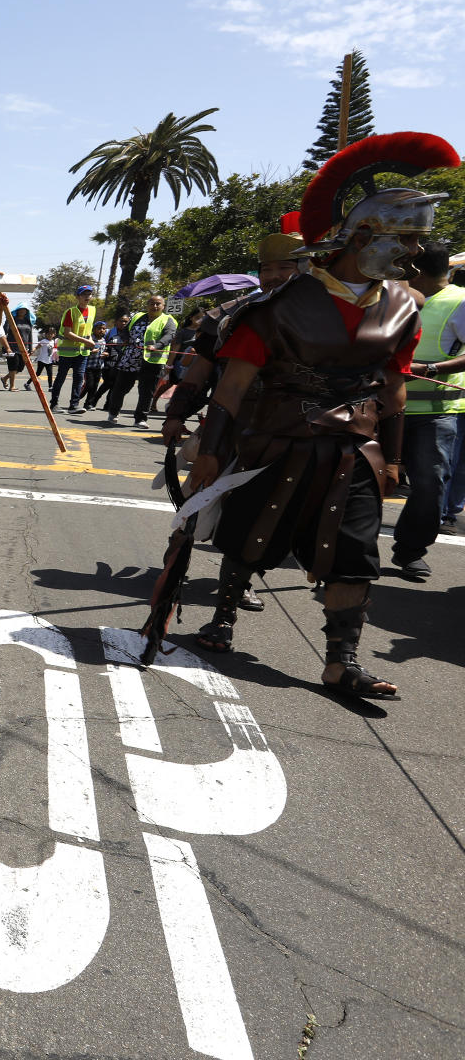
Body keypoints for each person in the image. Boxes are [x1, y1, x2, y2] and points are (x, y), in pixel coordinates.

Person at [179, 131, 457, 698]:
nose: (412, 254)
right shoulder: (278, 305)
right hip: (278, 439)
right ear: (362, 236)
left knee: (356, 552)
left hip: (355, 447)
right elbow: (233, 386)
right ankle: (222, 618)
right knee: (252, 533)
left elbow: (395, 389)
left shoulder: (407, 306)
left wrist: (396, 458)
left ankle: (341, 662)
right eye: (404, 238)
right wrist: (210, 452)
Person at [160, 212, 308, 626]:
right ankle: (177, 558)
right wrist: (176, 415)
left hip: (291, 434)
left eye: (287, 266)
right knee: (197, 503)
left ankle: (242, 580)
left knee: (267, 514)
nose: (276, 276)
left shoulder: (324, 321)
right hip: (230, 428)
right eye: (268, 268)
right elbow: (199, 374)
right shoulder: (231, 316)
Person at [389, 241, 465, 580]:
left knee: (430, 484)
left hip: (434, 412)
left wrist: (431, 369)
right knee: (355, 478)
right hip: (383, 406)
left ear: (415, 269)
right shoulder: (391, 296)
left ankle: (410, 550)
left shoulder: (461, 302)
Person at [129, 294, 178, 426]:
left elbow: (169, 336)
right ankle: (112, 412)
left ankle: (140, 418)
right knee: (121, 386)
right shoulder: (138, 317)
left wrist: (156, 346)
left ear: (163, 306)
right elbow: (125, 331)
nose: (155, 306)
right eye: (152, 303)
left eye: (158, 304)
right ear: (147, 305)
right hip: (131, 358)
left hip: (153, 361)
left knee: (147, 390)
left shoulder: (168, 319)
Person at [51, 284, 96, 412]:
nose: (87, 297)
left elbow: (88, 330)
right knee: (61, 377)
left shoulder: (92, 310)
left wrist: (90, 340)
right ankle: (54, 404)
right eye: (84, 294)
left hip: (83, 352)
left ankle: (74, 405)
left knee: (79, 378)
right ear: (78, 297)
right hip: (67, 351)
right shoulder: (71, 312)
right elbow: (67, 333)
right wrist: (86, 341)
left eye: (89, 294)